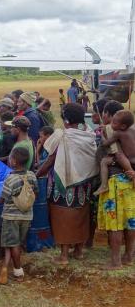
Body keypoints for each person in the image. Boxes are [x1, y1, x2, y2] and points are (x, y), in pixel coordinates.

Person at [37, 103, 98, 265]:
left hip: (63, 186)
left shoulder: (62, 136)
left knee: (62, 218)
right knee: (81, 216)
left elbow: (50, 160)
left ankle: (63, 256)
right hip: (84, 186)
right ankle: (78, 251)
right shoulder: (88, 133)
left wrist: (36, 175)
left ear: (66, 120)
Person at [97, 111, 135, 269]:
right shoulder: (132, 131)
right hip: (131, 182)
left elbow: (113, 152)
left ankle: (115, 261)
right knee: (131, 221)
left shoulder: (113, 132)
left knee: (116, 224)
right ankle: (128, 256)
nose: (108, 121)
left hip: (117, 182)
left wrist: (101, 135)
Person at [0, 147, 38, 285]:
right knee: (14, 243)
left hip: (11, 216)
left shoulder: (11, 179)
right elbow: (35, 192)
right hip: (26, 216)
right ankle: (4, 268)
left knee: (13, 244)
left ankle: (18, 271)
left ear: (13, 161)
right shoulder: (31, 175)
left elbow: (4, 198)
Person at [27, 126, 55, 253]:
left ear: (49, 136)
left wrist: (38, 150)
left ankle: (44, 240)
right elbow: (38, 163)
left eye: (42, 136)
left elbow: (39, 165)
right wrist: (38, 149)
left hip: (48, 183)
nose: (40, 139)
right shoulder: (45, 150)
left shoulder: (51, 150)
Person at [93, 101, 127, 195]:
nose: (102, 115)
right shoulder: (121, 128)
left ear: (107, 113)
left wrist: (114, 160)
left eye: (103, 112)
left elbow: (116, 150)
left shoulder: (109, 129)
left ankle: (104, 186)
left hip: (115, 181)